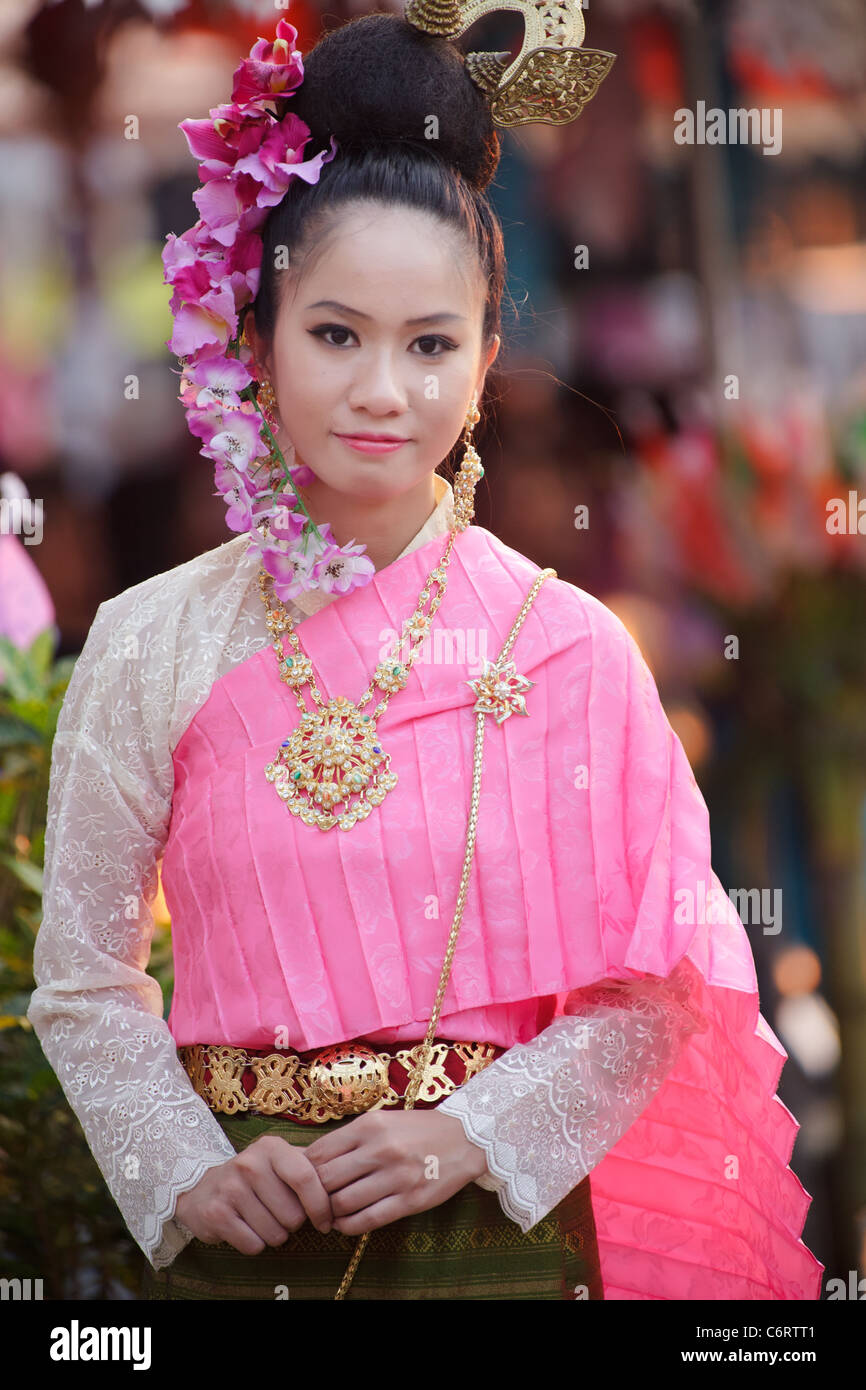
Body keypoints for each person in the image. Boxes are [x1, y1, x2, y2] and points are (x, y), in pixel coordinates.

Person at [27, 8, 823, 1301]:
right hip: (244, 1238)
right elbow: (83, 978)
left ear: (488, 357)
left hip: (494, 1237)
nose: (382, 390)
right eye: (336, 334)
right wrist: (186, 1170)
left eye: (430, 343)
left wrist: (474, 1131)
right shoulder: (147, 638)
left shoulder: (573, 649)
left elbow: (656, 991)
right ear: (256, 340)